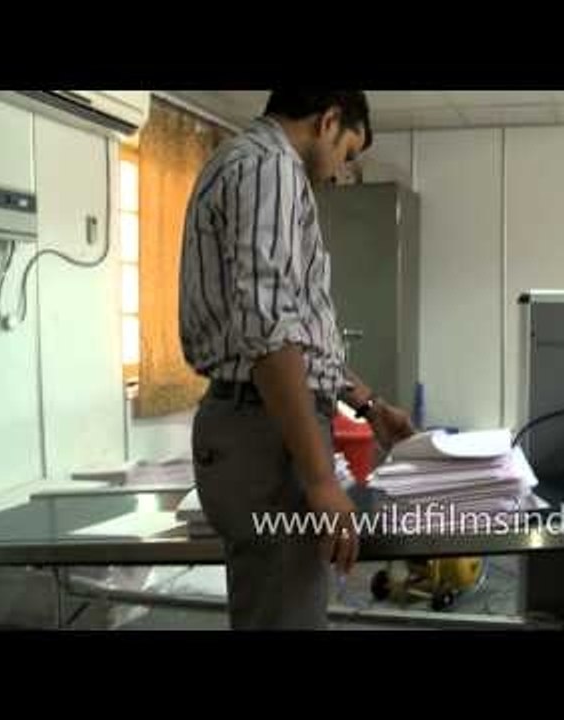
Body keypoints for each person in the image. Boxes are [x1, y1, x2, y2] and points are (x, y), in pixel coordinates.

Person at [179, 90, 415, 629]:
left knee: (284, 611)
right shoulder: (271, 168)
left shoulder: (244, 162)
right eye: (348, 152)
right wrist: (322, 481)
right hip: (264, 432)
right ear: (328, 120)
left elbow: (295, 335)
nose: (341, 172)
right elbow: (270, 336)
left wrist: (369, 404)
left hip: (262, 423)